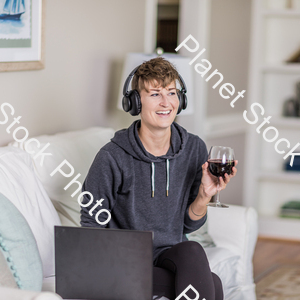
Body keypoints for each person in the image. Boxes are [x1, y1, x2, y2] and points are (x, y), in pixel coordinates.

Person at [80, 57, 237, 300]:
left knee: (193, 250)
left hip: (169, 254)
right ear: (134, 102)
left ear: (180, 99)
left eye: (172, 93)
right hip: (125, 260)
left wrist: (204, 196)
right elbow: (90, 225)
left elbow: (189, 225)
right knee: (213, 285)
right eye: (154, 94)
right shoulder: (112, 156)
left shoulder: (194, 148)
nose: (166, 103)